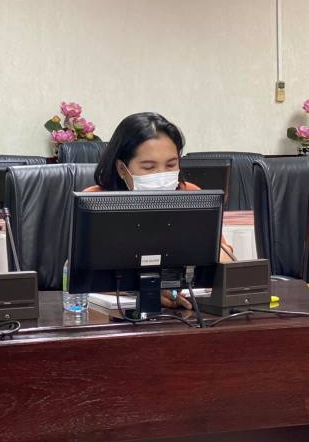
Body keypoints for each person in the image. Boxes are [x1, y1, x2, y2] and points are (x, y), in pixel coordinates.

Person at [86, 112, 236, 309]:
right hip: (115, 316)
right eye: (149, 167)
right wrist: (143, 289)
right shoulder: (96, 202)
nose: (162, 175)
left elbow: (224, 256)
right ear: (122, 168)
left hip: (184, 310)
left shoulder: (191, 195)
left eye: (171, 164)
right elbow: (83, 274)